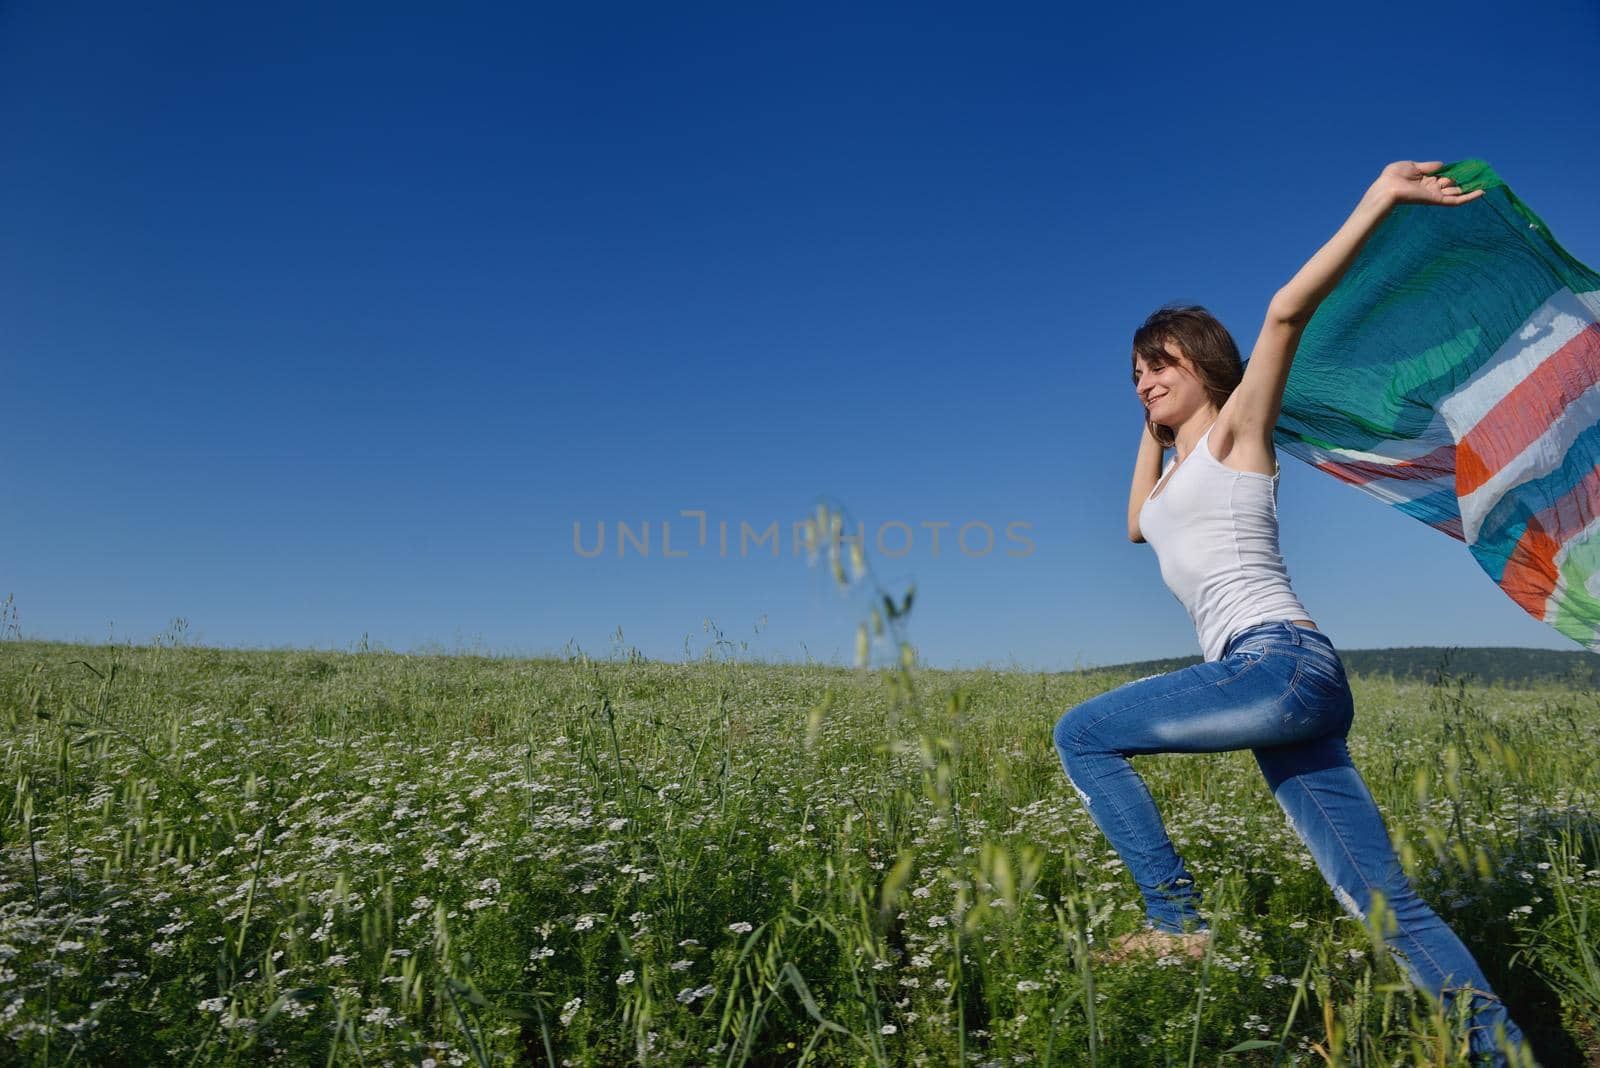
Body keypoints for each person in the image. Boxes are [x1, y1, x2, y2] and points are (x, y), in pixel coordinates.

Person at [1051, 161, 1531, 1065]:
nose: (1145, 379)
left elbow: (1282, 313)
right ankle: (1503, 1053)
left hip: (1277, 663)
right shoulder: (1170, 476)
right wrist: (1150, 420)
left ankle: (1177, 922)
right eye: (1135, 372)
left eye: (1161, 364)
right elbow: (1133, 525)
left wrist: (1381, 197)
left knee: (1082, 734)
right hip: (1286, 691)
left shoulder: (1240, 433)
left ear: (1207, 366)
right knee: (1382, 901)